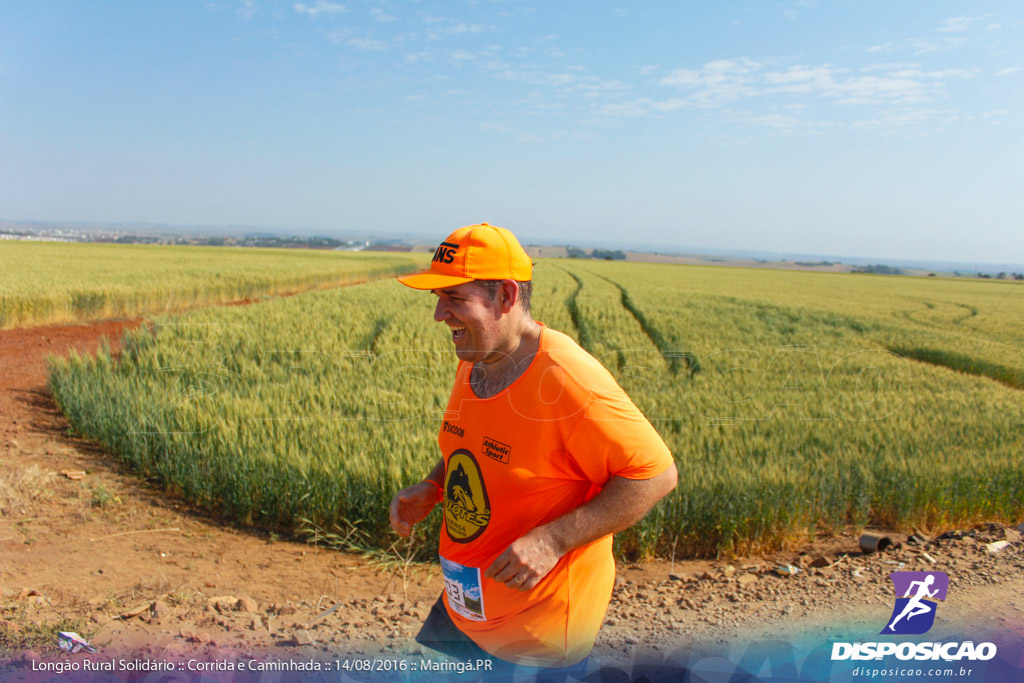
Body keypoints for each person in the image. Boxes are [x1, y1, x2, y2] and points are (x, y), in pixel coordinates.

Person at [389, 223, 677, 677]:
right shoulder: (479, 357)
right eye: (437, 299)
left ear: (505, 296)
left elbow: (656, 475)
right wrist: (434, 485)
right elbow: (471, 444)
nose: (439, 314)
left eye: (455, 299)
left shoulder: (565, 378)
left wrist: (551, 541)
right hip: (467, 606)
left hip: (536, 638)